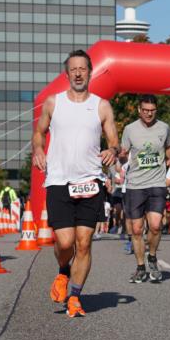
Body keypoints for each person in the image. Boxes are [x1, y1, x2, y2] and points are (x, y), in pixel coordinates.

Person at [32, 49, 119, 318]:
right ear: (67, 73)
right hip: (59, 181)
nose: (78, 73)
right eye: (74, 69)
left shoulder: (102, 105)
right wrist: (38, 149)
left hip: (90, 181)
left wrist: (112, 151)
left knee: (84, 242)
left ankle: (75, 296)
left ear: (90, 73)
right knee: (65, 242)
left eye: (83, 69)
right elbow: (39, 132)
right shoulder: (53, 103)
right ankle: (62, 270)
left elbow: (114, 140)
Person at [120, 94, 170, 283]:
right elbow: (123, 152)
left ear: (156, 111)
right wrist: (118, 161)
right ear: (139, 110)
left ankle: (152, 257)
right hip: (135, 185)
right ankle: (140, 267)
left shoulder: (164, 127)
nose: (149, 114)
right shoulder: (129, 129)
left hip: (157, 183)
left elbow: (169, 146)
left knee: (155, 225)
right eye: (145, 110)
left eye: (152, 111)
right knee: (136, 229)